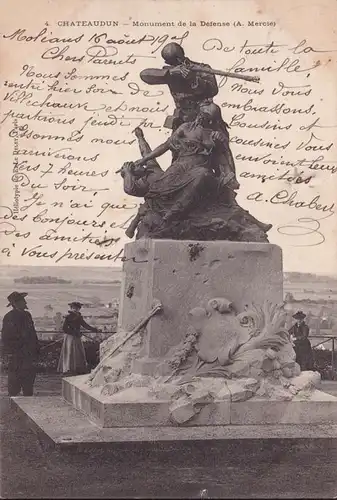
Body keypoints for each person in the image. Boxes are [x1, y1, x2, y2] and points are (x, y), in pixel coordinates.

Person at [140, 42, 219, 130]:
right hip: (182, 120)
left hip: (204, 118)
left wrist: (194, 79)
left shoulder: (201, 68)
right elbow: (144, 75)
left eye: (171, 62)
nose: (169, 64)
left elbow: (213, 90)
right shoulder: (170, 73)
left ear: (179, 59)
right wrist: (170, 73)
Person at [1, 291, 40, 396]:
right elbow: (5, 337)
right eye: (22, 300)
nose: (25, 302)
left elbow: (33, 332)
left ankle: (28, 399)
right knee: (15, 379)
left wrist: (36, 348)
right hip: (16, 353)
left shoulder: (28, 315)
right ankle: (13, 403)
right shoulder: (9, 317)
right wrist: (11, 351)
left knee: (29, 377)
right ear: (16, 303)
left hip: (28, 353)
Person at [57, 302, 100, 375]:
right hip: (70, 337)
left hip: (76, 337)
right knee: (70, 352)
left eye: (77, 308)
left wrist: (94, 329)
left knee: (78, 352)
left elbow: (85, 325)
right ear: (71, 308)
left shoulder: (79, 317)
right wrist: (74, 332)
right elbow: (64, 328)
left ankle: (78, 368)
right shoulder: (68, 317)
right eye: (74, 308)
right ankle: (69, 368)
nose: (76, 309)